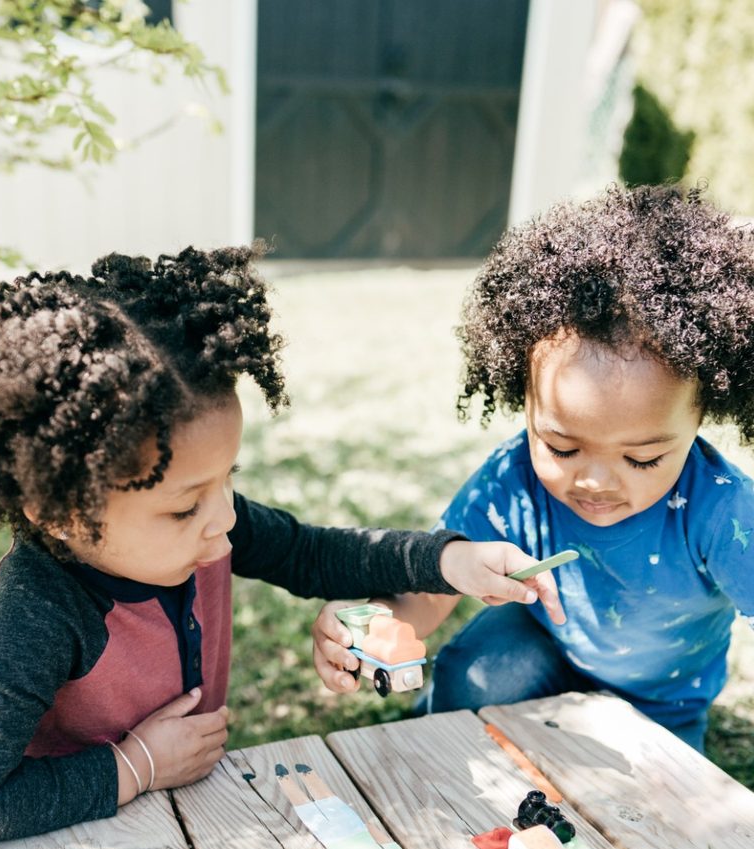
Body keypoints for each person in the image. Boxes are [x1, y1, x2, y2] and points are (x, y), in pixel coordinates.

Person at [0, 245, 561, 844]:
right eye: (186, 505)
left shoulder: (210, 530)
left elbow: (315, 553)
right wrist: (136, 766)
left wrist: (450, 559)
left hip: (195, 820)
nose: (223, 519)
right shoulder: (41, 613)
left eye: (230, 480)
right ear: (61, 514)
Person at [312, 185, 754, 752]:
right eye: (562, 448)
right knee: (471, 672)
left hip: (659, 708)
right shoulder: (513, 477)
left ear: (702, 417)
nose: (594, 481)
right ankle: (439, 742)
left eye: (642, 457)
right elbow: (425, 595)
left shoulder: (723, 512)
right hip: (538, 655)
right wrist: (372, 625)